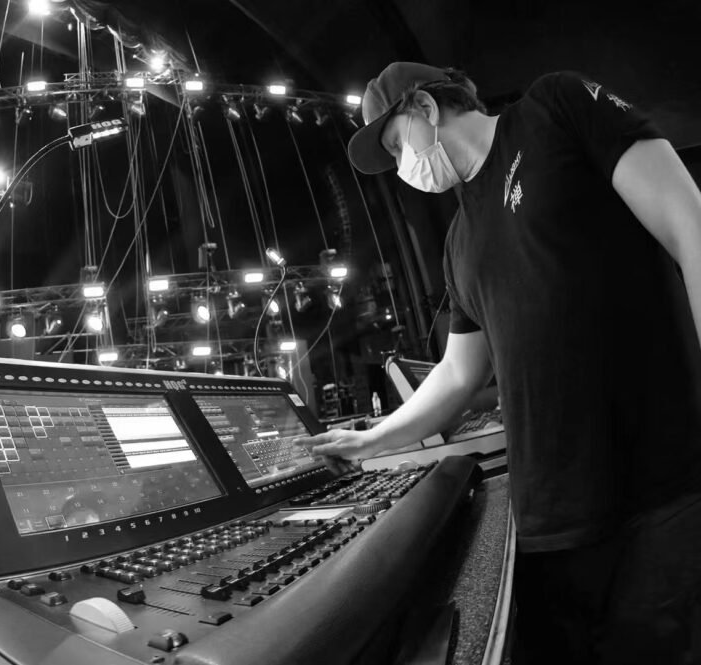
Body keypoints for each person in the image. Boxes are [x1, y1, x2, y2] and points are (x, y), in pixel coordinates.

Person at [297, 62, 701, 663]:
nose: (403, 167)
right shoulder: (458, 242)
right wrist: (371, 440)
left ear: (425, 108)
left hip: (658, 493)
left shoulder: (555, 108)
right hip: (549, 520)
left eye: (396, 144)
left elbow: (688, 223)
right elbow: (459, 373)